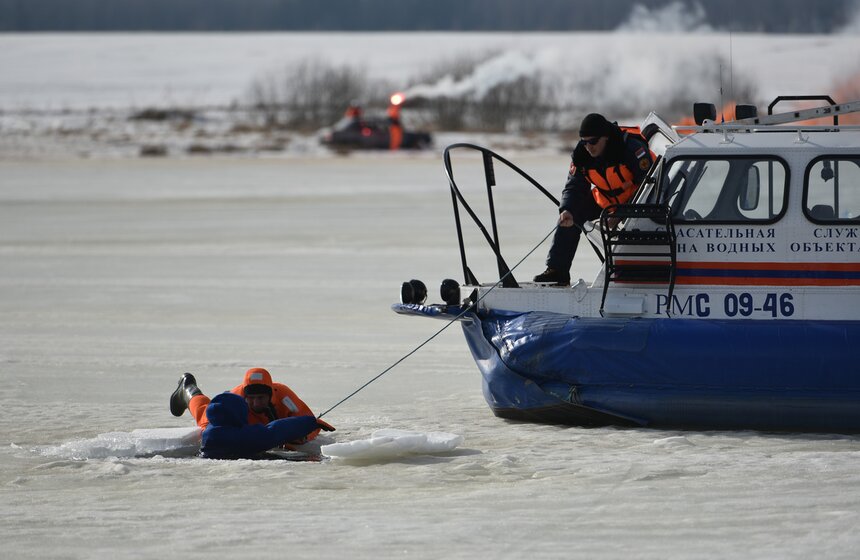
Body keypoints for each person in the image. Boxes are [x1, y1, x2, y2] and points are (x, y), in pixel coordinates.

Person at [534, 113, 655, 286]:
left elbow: (648, 186)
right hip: (607, 200)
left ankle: (638, 271)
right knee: (571, 215)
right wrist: (566, 209)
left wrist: (621, 214)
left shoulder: (631, 148)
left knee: (639, 221)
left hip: (639, 200)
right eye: (584, 142)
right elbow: (573, 187)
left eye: (592, 142)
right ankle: (557, 270)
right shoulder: (581, 156)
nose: (588, 147)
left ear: (605, 137)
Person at [170, 367, 334, 449]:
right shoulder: (234, 401)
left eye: (261, 398)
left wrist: (303, 438)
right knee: (203, 413)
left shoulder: (284, 396)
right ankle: (188, 389)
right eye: (251, 399)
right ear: (245, 397)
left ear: (270, 394)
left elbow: (310, 422)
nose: (255, 403)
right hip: (227, 408)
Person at [197, 392, 323, 459]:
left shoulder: (211, 430)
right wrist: (310, 422)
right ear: (236, 412)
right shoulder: (239, 436)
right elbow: (274, 432)